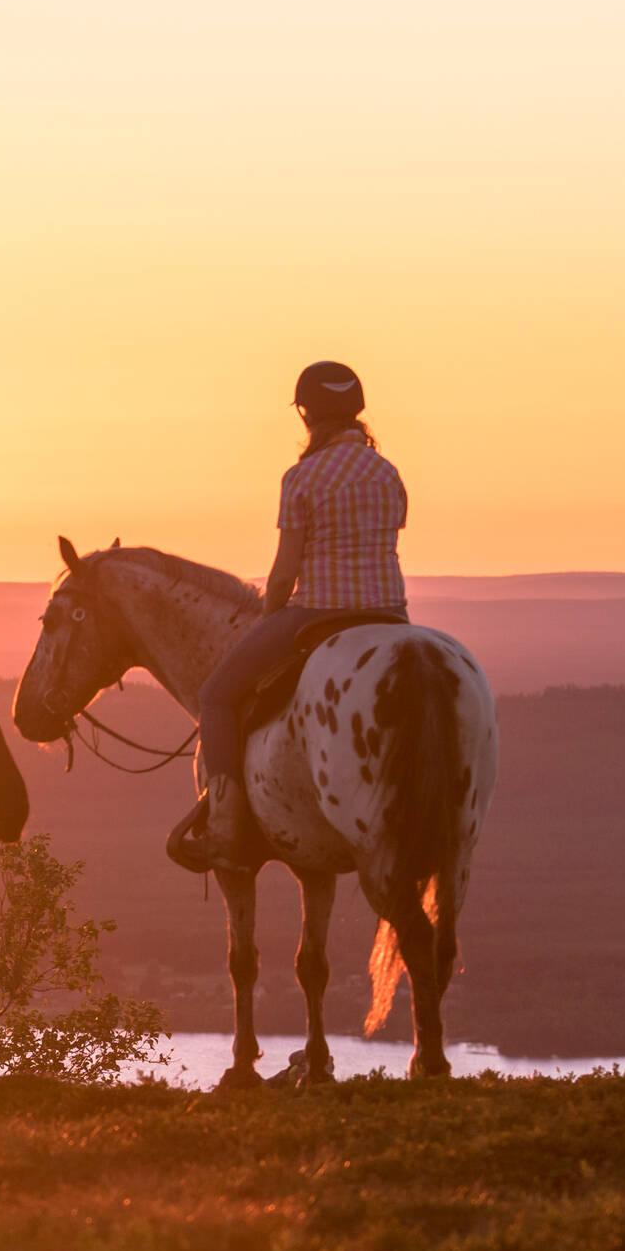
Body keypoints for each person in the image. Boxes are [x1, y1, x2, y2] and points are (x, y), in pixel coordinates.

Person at [172, 359, 410, 870]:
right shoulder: (389, 475)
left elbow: (283, 575)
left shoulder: (302, 477)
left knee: (216, 696)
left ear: (306, 415)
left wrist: (268, 616)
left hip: (316, 614)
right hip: (391, 617)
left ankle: (224, 824)